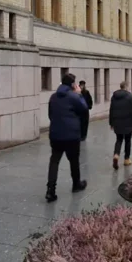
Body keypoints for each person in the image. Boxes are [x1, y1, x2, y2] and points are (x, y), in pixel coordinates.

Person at [45, 73, 88, 202]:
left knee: (54, 161)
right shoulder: (74, 96)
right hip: (71, 135)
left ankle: (50, 190)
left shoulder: (53, 97)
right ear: (72, 84)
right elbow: (84, 109)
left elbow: (50, 114)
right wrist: (79, 94)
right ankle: (76, 184)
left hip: (56, 134)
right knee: (74, 160)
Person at [108, 81, 132, 169]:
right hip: (128, 122)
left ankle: (116, 155)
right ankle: (126, 159)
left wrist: (111, 123)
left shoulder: (114, 97)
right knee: (128, 140)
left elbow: (111, 110)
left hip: (117, 122)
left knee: (119, 139)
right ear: (126, 87)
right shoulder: (130, 96)